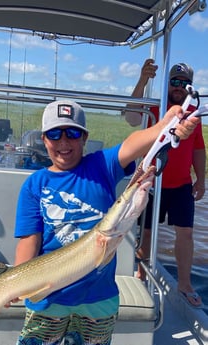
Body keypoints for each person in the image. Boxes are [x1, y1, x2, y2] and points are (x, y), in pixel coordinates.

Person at [12, 99, 199, 345]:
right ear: (44, 139)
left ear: (84, 138)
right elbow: (29, 240)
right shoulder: (35, 184)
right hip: (48, 301)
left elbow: (132, 145)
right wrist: (14, 284)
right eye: (55, 134)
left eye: (73, 133)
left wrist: (164, 126)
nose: (64, 142)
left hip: (98, 301)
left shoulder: (101, 166)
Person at [124, 59, 206, 308]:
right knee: (146, 233)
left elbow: (198, 149)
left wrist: (200, 179)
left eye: (185, 83)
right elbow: (131, 118)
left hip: (181, 184)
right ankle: (140, 273)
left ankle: (185, 284)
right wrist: (142, 79)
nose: (179, 87)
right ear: (167, 83)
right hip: (152, 181)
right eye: (175, 82)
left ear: (190, 87)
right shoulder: (154, 107)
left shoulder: (194, 114)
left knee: (186, 234)